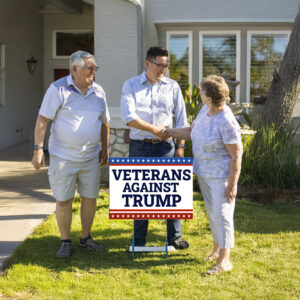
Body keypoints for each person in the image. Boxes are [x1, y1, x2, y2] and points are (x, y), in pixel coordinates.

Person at [32, 50, 110, 258]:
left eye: (95, 68)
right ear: (75, 69)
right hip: (63, 157)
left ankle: (86, 238)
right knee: (64, 200)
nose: (94, 72)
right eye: (89, 68)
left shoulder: (99, 91)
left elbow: (105, 123)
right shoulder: (57, 89)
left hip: (90, 156)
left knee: (90, 197)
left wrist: (105, 148)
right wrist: (38, 149)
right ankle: (65, 241)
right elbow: (42, 120)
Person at [164, 75, 243, 274]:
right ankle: (217, 249)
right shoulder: (204, 111)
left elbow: (236, 154)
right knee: (212, 214)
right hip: (204, 174)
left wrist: (232, 185)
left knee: (223, 216)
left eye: (201, 92)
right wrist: (169, 132)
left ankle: (225, 261)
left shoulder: (226, 121)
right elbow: (192, 132)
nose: (199, 95)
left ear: (208, 97)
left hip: (221, 178)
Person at [120, 46, 189, 250]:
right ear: (147, 64)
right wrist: (154, 130)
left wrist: (181, 146)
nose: (164, 70)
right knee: (140, 195)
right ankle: (139, 240)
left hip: (166, 147)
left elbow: (181, 118)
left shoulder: (173, 86)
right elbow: (129, 118)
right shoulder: (130, 85)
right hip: (140, 146)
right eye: (160, 65)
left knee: (171, 193)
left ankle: (175, 237)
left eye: (166, 66)